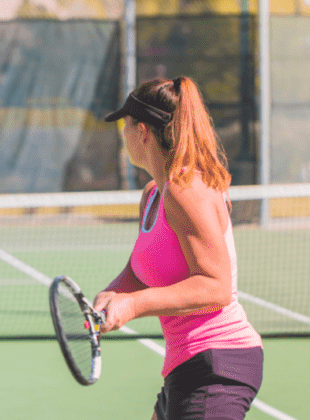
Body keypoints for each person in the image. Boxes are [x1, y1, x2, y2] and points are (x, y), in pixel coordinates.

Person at [96, 76, 263, 420]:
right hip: (185, 366)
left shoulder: (187, 191)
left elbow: (215, 287)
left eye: (125, 126)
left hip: (217, 366)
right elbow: (138, 272)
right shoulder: (154, 194)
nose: (123, 136)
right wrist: (109, 297)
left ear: (142, 132)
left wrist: (132, 305)